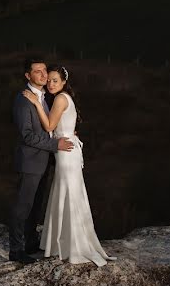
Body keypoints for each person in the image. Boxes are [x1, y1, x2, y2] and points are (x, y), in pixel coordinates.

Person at [22, 65, 116, 267]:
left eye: (55, 80)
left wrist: (35, 103)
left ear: (64, 82)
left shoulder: (60, 98)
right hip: (67, 150)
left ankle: (70, 244)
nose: (51, 83)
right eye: (49, 80)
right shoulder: (64, 98)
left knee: (68, 194)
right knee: (67, 193)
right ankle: (61, 243)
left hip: (65, 152)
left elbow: (49, 126)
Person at [10, 59, 74, 265]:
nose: (43, 74)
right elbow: (27, 136)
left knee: (36, 206)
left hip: (44, 162)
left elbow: (51, 126)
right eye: (37, 71)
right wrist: (56, 145)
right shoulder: (23, 100)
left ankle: (30, 242)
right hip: (29, 162)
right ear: (28, 76)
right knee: (22, 206)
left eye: (44, 70)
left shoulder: (46, 98)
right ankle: (16, 250)